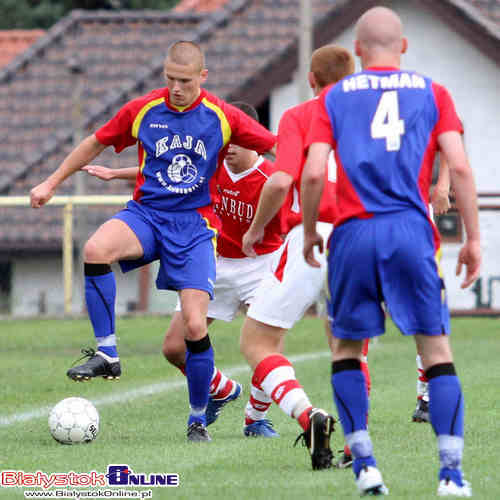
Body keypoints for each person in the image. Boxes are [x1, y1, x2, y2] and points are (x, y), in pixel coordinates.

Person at [30, 41, 276, 443]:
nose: (176, 88)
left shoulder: (223, 116)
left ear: (203, 77)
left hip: (195, 227)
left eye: (184, 80)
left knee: (195, 325)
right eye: (169, 79)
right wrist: (51, 182)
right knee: (95, 250)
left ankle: (198, 419)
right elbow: (95, 141)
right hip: (147, 215)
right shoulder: (144, 109)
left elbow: (275, 144)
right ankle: (108, 353)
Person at [301, 6, 480, 496]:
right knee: (436, 350)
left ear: (358, 50)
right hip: (410, 228)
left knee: (345, 348)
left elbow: (314, 172)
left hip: (353, 230)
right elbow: (460, 168)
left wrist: (313, 230)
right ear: (402, 48)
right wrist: (474, 237)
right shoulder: (432, 91)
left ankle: (365, 466)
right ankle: (450, 474)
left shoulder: (334, 97)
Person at [85, 101, 284, 437]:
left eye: (238, 139)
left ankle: (256, 419)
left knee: (262, 346)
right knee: (174, 348)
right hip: (214, 259)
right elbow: (166, 172)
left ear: (253, 137)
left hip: (260, 265)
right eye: (227, 140)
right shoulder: (214, 161)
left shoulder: (273, 177)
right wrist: (114, 173)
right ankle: (220, 388)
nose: (230, 146)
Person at [240, 44, 362, 471]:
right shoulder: (373, 115)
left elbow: (278, 183)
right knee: (349, 349)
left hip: (314, 235)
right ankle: (355, 447)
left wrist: (256, 230)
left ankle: (307, 415)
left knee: (256, 341)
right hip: (365, 238)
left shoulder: (300, 116)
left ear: (311, 81)